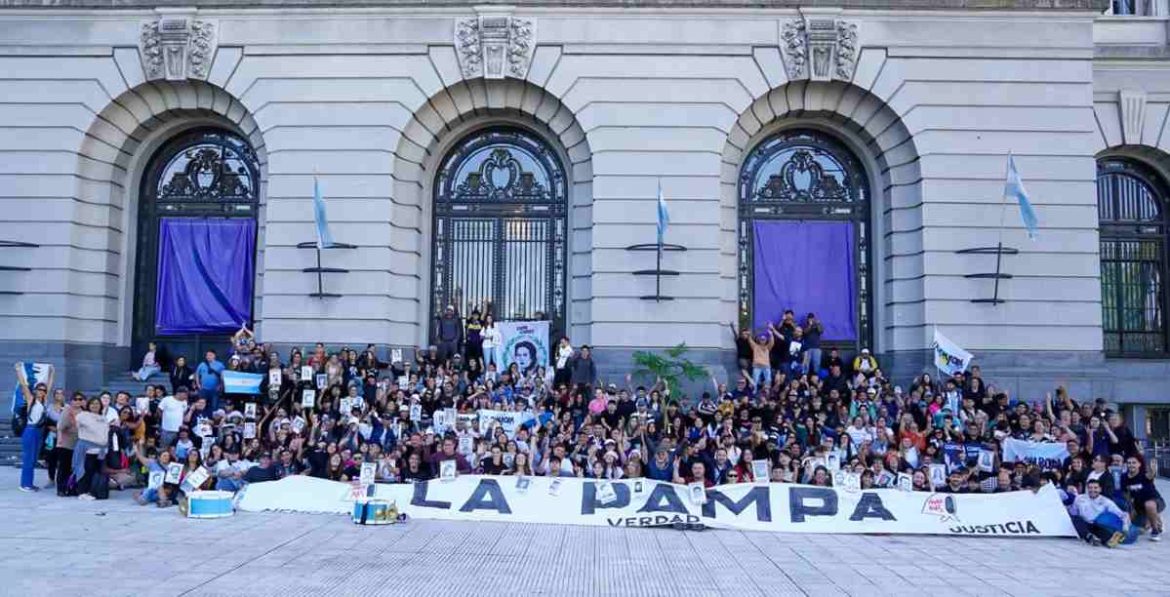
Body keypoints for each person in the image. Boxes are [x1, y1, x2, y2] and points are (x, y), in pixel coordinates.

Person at [14, 363, 53, 492]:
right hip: (30, 430)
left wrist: (52, 373)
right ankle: (25, 484)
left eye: (43, 390)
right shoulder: (31, 400)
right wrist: (18, 370)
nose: (41, 392)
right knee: (28, 457)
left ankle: (29, 482)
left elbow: (50, 386)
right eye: (39, 389)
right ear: (35, 390)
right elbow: (24, 385)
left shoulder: (44, 401)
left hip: (38, 431)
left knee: (34, 458)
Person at [1070, 479, 1132, 547]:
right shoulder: (1079, 498)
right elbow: (1073, 513)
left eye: (1095, 488)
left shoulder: (1106, 501)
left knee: (1103, 531)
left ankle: (1109, 540)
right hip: (1083, 523)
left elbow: (1123, 514)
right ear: (1087, 489)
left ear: (1100, 489)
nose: (1093, 490)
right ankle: (1090, 537)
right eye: (1090, 488)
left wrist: (1125, 527)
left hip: (1096, 525)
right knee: (1076, 519)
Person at [74, 396, 110, 501]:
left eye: (97, 403)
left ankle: (93, 490)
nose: (95, 405)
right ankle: (82, 492)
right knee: (85, 470)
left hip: (100, 450)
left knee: (97, 471)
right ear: (88, 405)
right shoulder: (82, 416)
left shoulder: (103, 418)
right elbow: (77, 425)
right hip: (88, 448)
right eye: (93, 403)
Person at [1121, 455, 1164, 541]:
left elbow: (1151, 475)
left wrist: (1153, 470)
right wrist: (1131, 507)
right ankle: (1154, 519)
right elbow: (1126, 493)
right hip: (1139, 506)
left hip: (1155, 502)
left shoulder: (1144, 474)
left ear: (1139, 464)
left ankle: (1155, 530)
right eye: (1129, 463)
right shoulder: (1124, 477)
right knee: (1139, 530)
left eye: (1134, 463)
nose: (1131, 465)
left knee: (1149, 505)